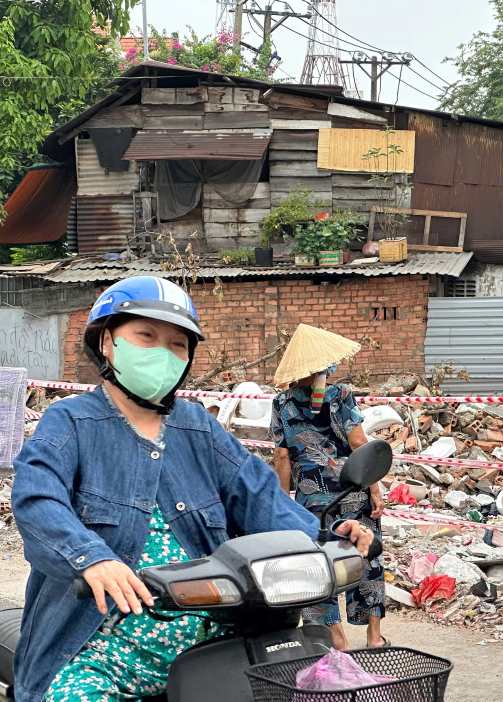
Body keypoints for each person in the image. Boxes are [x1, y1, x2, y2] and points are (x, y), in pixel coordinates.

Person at [11, 277, 373, 702]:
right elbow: (37, 499)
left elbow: (260, 497)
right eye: (146, 336)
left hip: (211, 647)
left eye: (177, 344)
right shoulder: (69, 422)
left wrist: (327, 539)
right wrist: (92, 560)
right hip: (99, 652)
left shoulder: (197, 427)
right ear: (107, 342)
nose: (164, 353)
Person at [270, 324, 387, 651]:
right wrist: (375, 487)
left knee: (320, 564)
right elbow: (360, 442)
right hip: (352, 491)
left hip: (311, 499)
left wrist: (283, 503)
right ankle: (374, 637)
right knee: (366, 556)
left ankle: (336, 639)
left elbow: (281, 456)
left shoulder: (282, 403)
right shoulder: (341, 394)